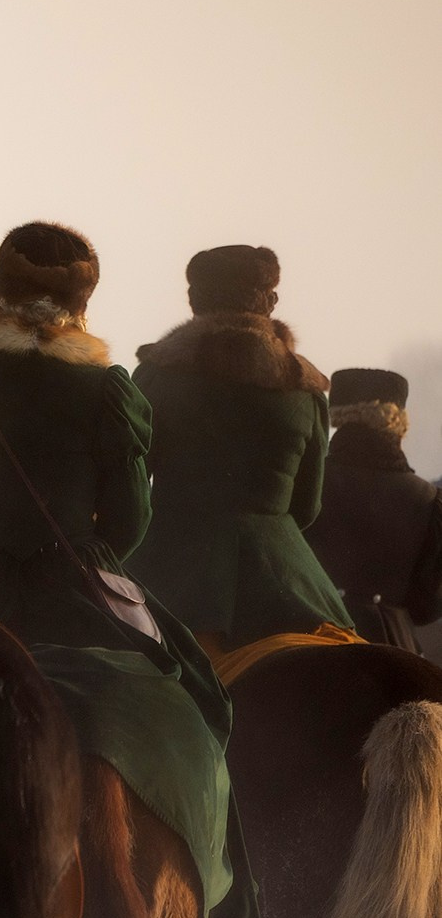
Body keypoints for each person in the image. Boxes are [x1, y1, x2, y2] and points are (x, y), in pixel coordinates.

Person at [0, 222, 235, 916]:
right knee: (198, 690)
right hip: (79, 585)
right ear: (81, 307)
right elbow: (129, 520)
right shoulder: (105, 389)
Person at [128, 246, 352, 652]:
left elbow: (131, 483)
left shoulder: (157, 376)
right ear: (270, 302)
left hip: (170, 573)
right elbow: (306, 508)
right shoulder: (305, 391)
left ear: (194, 301)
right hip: (284, 579)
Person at [304, 367, 442, 652]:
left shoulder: (307, 482)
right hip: (392, 644)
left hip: (308, 635)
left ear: (338, 418)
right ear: (398, 421)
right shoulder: (428, 499)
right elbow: (426, 608)